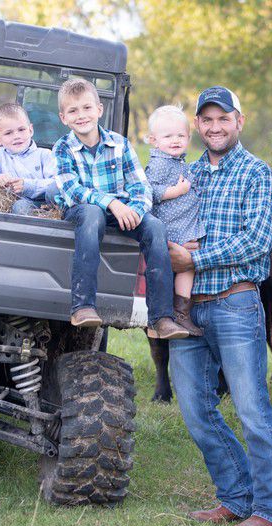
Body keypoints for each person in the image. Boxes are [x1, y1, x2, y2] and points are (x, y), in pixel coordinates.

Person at [168, 86, 272, 526]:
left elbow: (258, 242)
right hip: (185, 310)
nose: (215, 126)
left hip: (234, 304)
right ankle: (235, 497)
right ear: (197, 124)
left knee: (252, 410)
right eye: (207, 119)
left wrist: (193, 260)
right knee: (196, 411)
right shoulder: (186, 175)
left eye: (224, 118)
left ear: (239, 121)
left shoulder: (256, 174)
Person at [52, 78, 188, 339]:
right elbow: (72, 192)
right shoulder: (63, 148)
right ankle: (83, 306)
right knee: (92, 214)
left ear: (99, 109)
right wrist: (112, 203)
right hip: (82, 210)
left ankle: (161, 318)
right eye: (73, 111)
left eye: (86, 108)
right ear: (63, 117)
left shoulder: (120, 144)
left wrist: (136, 210)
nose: (81, 115)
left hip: (122, 211)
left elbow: (141, 186)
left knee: (155, 226)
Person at [144, 105, 206, 336]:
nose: (175, 140)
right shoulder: (159, 162)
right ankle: (176, 314)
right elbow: (147, 191)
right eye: (168, 136)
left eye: (180, 135)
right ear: (153, 140)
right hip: (172, 228)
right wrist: (175, 191)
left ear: (189, 137)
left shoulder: (178, 161)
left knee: (184, 270)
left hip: (183, 226)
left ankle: (178, 313)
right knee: (183, 269)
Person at [0, 103, 60, 215]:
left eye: (21, 130)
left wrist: (27, 186)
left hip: (47, 204)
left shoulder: (44, 155)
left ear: (30, 130)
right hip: (20, 205)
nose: (16, 136)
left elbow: (57, 183)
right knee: (20, 206)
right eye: (8, 133)